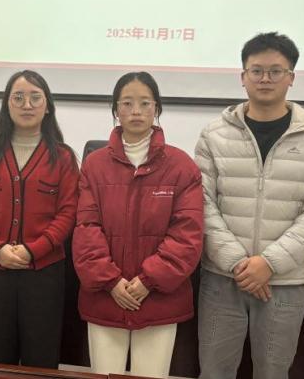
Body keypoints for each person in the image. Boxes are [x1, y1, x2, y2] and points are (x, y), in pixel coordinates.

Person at [195, 32, 304, 379]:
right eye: (256, 70)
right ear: (243, 76)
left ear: (291, 77)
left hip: (284, 281)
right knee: (213, 373)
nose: (265, 79)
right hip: (222, 278)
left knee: (273, 373)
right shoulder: (214, 134)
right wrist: (240, 264)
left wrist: (269, 264)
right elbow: (202, 205)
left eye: (276, 71)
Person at [73, 71, 203, 378]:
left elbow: (187, 235)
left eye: (145, 103)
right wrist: (111, 281)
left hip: (158, 298)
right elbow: (86, 229)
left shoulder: (182, 166)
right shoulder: (94, 165)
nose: (136, 111)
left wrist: (147, 280)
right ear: (115, 109)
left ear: (156, 108)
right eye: (127, 103)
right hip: (106, 296)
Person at [0, 70, 79, 369]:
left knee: (41, 359)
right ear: (7, 104)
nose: (27, 105)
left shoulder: (63, 157)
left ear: (47, 106)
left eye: (35, 98)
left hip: (44, 275)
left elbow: (68, 213)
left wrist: (33, 250)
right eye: (18, 97)